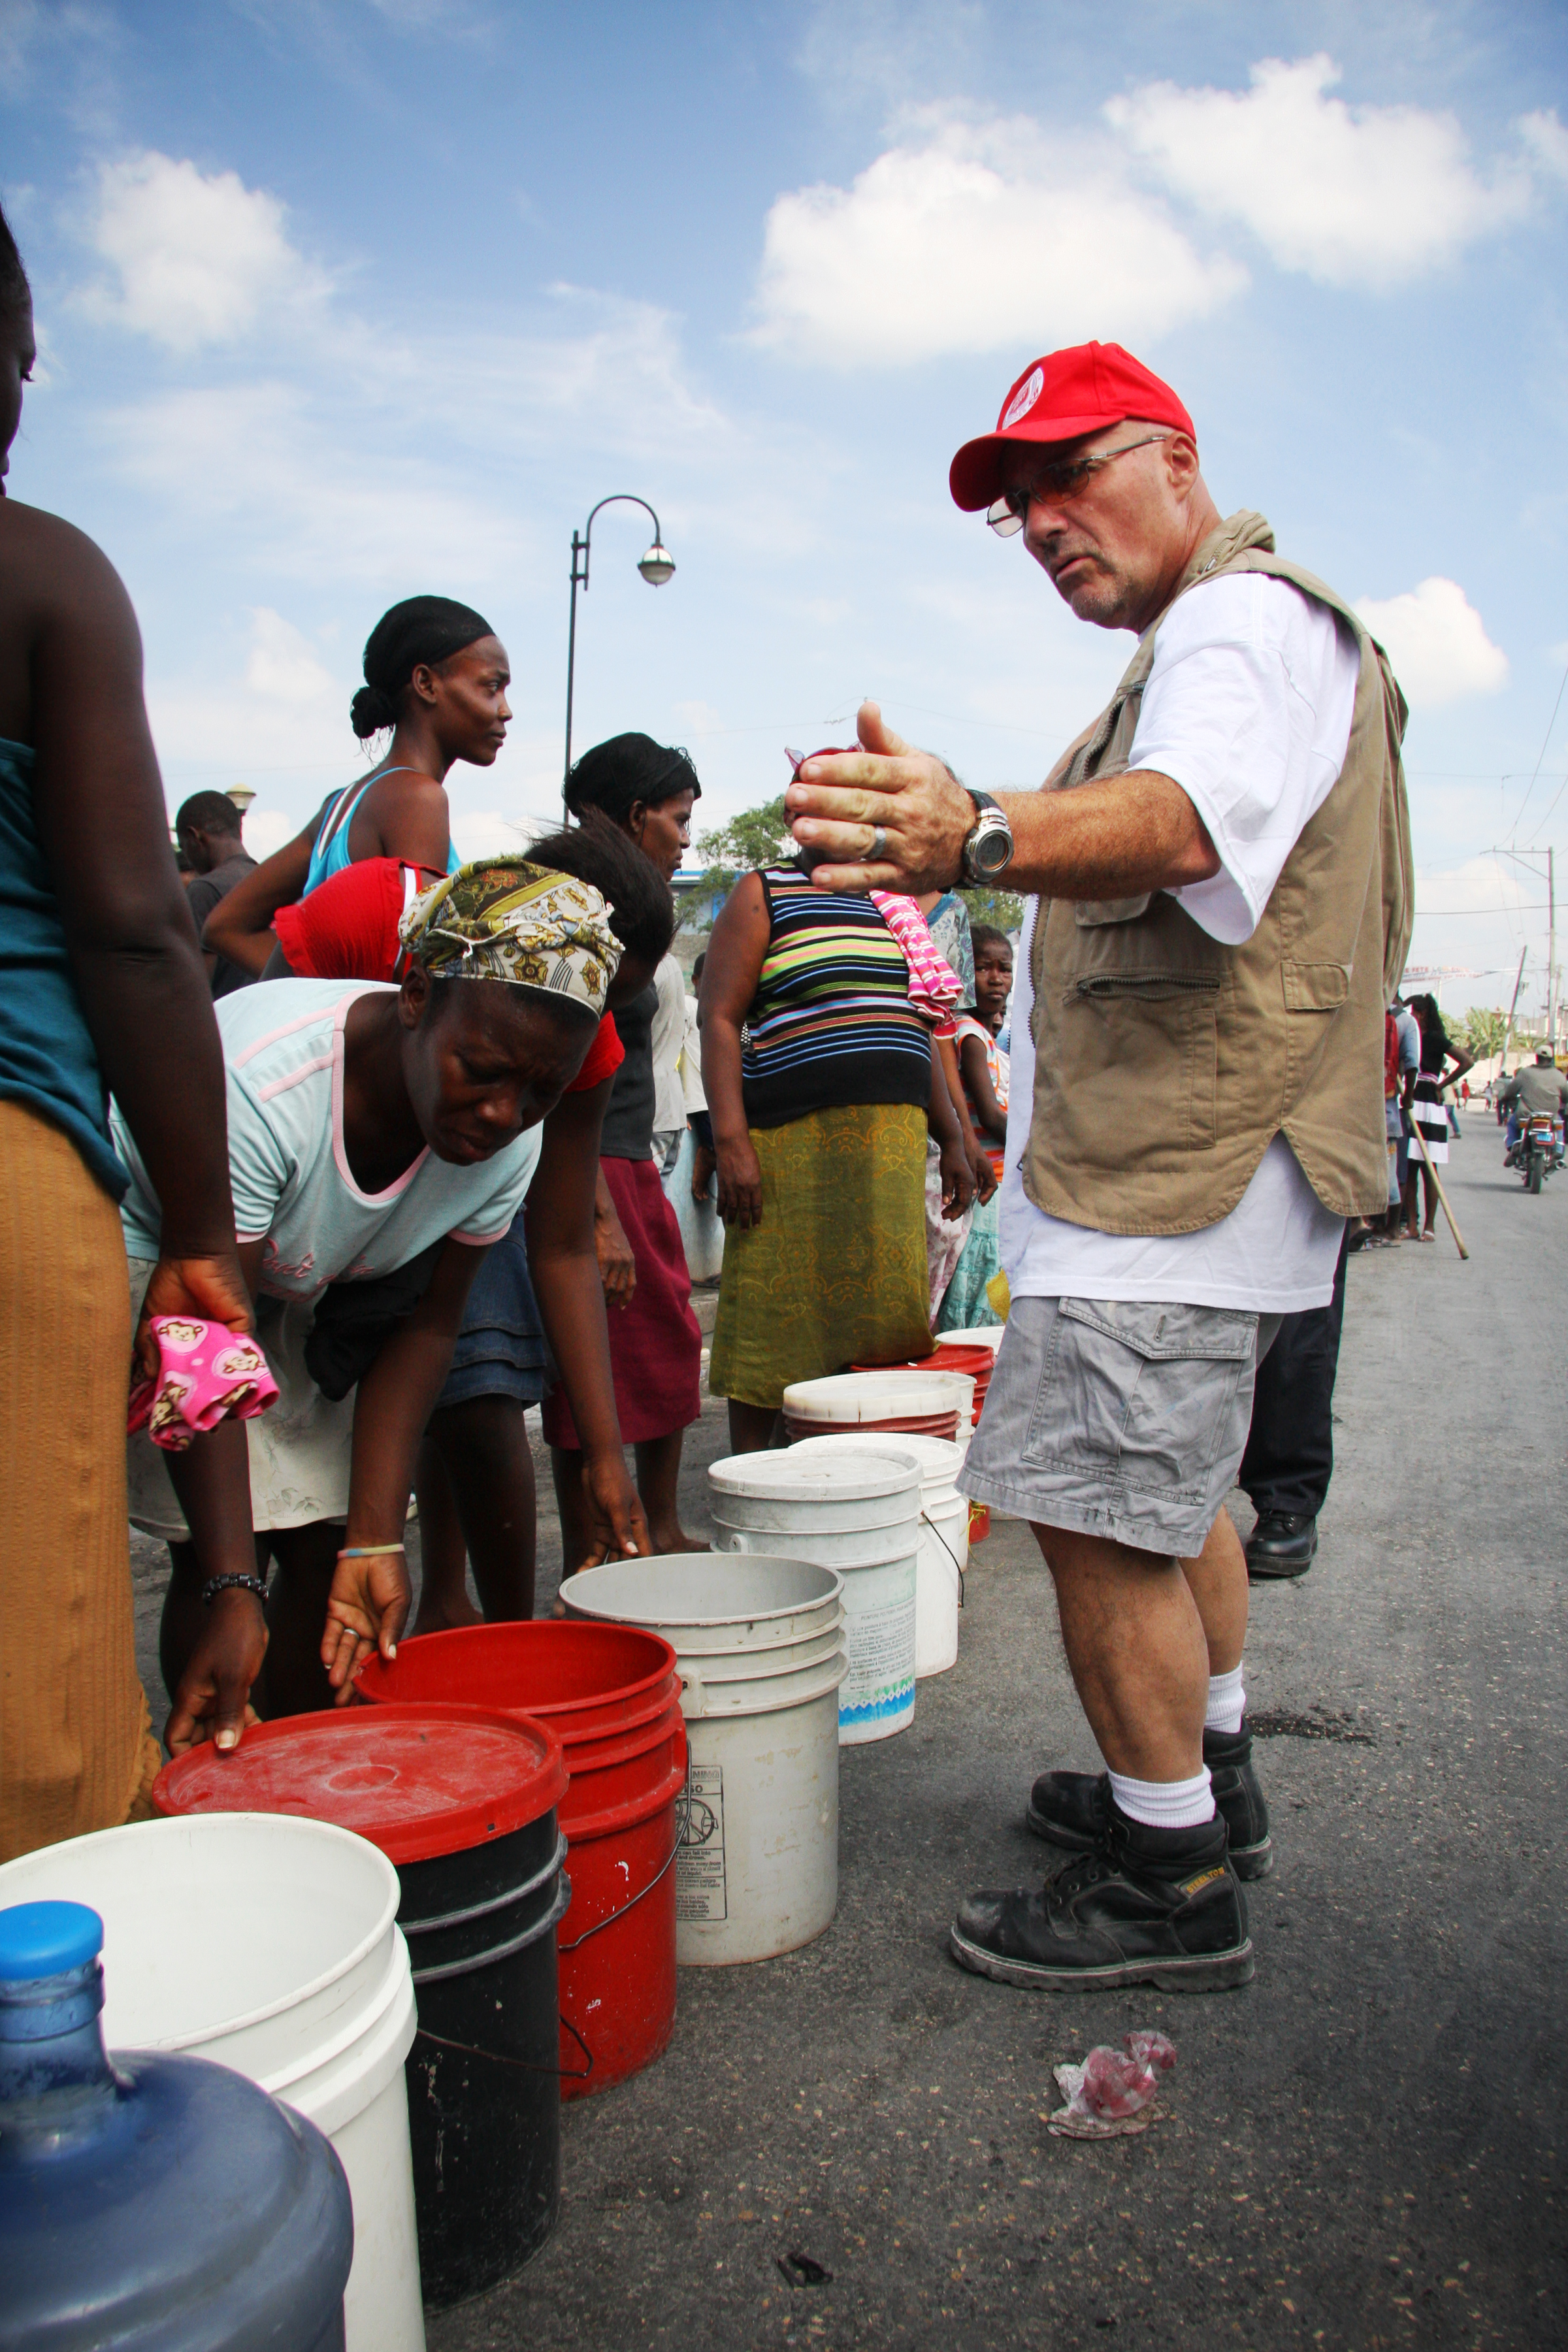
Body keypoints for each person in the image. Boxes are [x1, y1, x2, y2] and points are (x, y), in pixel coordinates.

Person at [785, 338, 1411, 1991]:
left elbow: (1185, 818)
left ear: (1176, 459)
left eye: (1072, 474)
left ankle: (1167, 1872)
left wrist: (969, 828)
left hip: (1168, 1190)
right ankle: (1205, 1775)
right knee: (1170, 1496)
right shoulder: (1212, 636)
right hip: (1182, 1182)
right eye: (1018, 506)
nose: (1047, 521)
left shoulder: (1233, 617)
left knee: (1101, 1522)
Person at [119, 859, 620, 1746]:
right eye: (485, 1071)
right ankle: (215, 1762)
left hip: (305, 1274)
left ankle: (307, 1769)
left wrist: (377, 1542)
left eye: (540, 1093)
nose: (506, 1113)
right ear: (418, 995)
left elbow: (426, 1330)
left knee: (326, 1539)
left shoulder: (504, 1147)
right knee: (215, 1555)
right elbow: (203, 1339)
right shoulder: (265, 1089)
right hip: (173, 1257)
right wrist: (237, 1588)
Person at [0, 204, 251, 1860]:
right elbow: (132, 926)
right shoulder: (41, 573)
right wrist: (203, 1230)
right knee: (37, 1714)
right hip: (11, 1158)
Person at [412, 821, 676, 1624]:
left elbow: (557, 1243)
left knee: (481, 1372)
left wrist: (607, 1458)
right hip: (323, 1178)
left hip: (466, 1184)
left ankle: (504, 1638)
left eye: (607, 1004)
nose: (593, 1016)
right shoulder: (411, 928)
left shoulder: (579, 1038)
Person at [701, 849, 974, 1454]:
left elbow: (922, 1024)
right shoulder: (763, 893)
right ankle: (758, 1479)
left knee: (878, 1328)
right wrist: (730, 1141)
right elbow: (719, 1017)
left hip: (889, 1154)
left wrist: (953, 1137)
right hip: (791, 1147)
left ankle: (852, 1469)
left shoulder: (896, 903)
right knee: (775, 1324)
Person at [544, 735, 706, 1556]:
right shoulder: (581, 911)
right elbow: (562, 1076)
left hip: (628, 1156)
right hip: (594, 1165)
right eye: (678, 821)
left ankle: (654, 1523)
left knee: (665, 1342)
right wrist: (597, 1212)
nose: (685, 839)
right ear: (639, 815)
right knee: (599, 1359)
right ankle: (597, 1545)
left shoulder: (635, 906)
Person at [201, 595, 507, 979]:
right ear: (426, 684)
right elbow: (417, 978)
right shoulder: (418, 799)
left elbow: (225, 925)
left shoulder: (341, 806)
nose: (505, 709)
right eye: (492, 687)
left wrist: (319, 992)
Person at [937, 924, 1013, 1331]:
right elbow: (990, 1115)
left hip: (995, 1188)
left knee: (990, 1280)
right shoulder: (968, 1035)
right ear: (966, 970)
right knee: (980, 1287)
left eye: (1005, 968)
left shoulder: (986, 1037)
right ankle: (972, 1355)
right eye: (984, 967)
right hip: (987, 1184)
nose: (997, 978)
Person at [175, 792, 257, 998]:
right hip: (274, 1019)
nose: (189, 859)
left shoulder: (205, 889)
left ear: (195, 837)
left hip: (228, 1021)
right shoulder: (269, 882)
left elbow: (198, 984)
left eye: (184, 847)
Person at [1407, 994, 1472, 1240]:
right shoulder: (1411, 1037)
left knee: (1429, 1167)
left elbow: (1467, 1061)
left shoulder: (1434, 1038)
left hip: (1429, 1103)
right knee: (1410, 1167)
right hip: (1411, 1099)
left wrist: (1442, 1083)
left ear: (1421, 1014)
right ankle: (1412, 1225)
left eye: (1413, 1013)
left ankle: (1429, 1227)